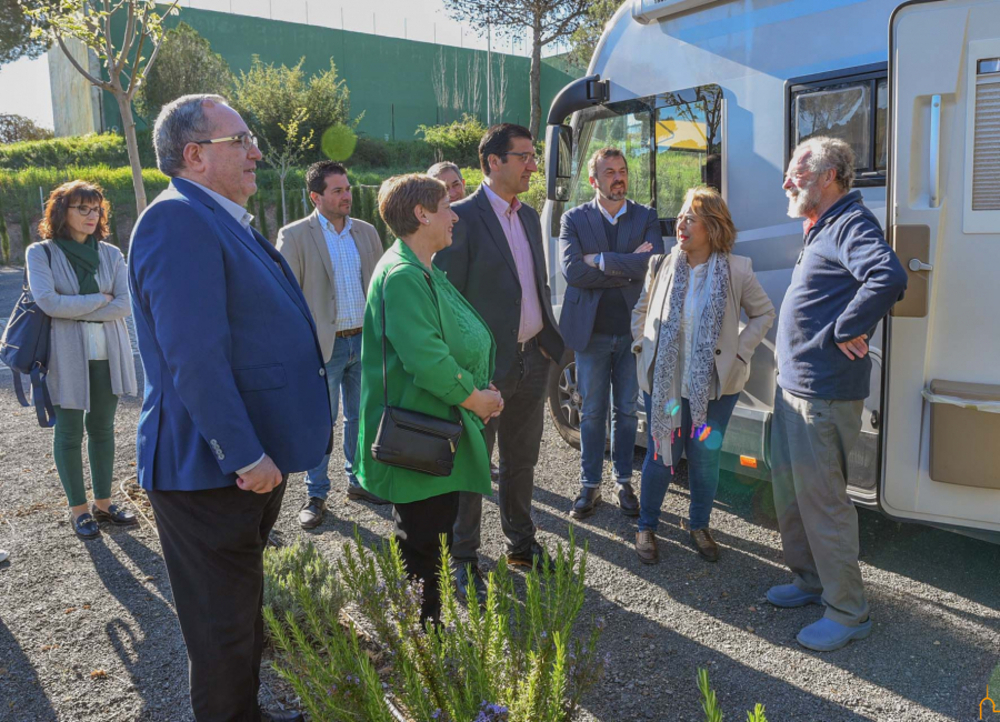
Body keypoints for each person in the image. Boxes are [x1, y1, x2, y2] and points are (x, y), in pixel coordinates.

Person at [129, 94, 331, 722]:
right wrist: (243, 453)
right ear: (194, 155)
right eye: (239, 139)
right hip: (211, 470)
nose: (256, 151)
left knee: (240, 614)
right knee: (221, 635)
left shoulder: (212, 215)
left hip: (242, 470)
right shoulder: (177, 221)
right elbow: (194, 358)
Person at [768, 136, 906, 652]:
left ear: (828, 177)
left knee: (824, 503)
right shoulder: (823, 225)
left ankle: (849, 612)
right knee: (793, 495)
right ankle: (810, 580)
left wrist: (848, 326)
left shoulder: (850, 222)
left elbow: (888, 276)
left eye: (796, 173)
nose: (787, 182)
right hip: (797, 387)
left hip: (822, 394)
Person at [355, 173, 502, 622]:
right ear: (422, 215)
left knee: (430, 540)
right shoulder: (403, 274)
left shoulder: (419, 266)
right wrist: (475, 398)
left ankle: (425, 633)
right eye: (445, 207)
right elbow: (427, 359)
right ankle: (424, 644)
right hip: (419, 435)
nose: (454, 215)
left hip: (431, 429)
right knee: (422, 547)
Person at [434, 124, 565, 605]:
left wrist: (548, 343)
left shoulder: (528, 216)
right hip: (485, 371)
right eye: (525, 157)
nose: (534, 165)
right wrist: (465, 375)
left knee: (522, 461)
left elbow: (534, 284)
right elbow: (447, 302)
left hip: (534, 358)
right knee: (472, 466)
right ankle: (463, 557)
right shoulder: (460, 218)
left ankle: (520, 546)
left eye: (534, 156)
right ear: (493, 161)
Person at [631, 187, 774, 564]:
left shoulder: (737, 270)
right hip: (665, 386)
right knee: (661, 455)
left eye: (690, 218)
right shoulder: (660, 265)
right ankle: (646, 526)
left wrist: (741, 353)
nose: (681, 223)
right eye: (680, 216)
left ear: (712, 227)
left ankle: (698, 524)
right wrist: (641, 346)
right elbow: (641, 311)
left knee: (704, 457)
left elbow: (764, 313)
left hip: (714, 390)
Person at [277, 161, 387, 530]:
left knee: (361, 418)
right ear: (315, 196)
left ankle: (359, 483)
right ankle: (316, 494)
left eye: (348, 188)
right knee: (321, 423)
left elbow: (381, 285)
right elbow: (284, 297)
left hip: (365, 341)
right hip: (323, 347)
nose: (347, 196)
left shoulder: (368, 232)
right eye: (337, 190)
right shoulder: (294, 236)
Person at [26, 180, 138, 540]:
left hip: (109, 353)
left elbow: (125, 303)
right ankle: (79, 510)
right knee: (70, 432)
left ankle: (103, 505)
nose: (92, 216)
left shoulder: (111, 254)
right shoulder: (40, 253)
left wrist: (82, 306)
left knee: (103, 429)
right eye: (82, 209)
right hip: (65, 354)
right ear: (62, 212)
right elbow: (48, 303)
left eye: (96, 209)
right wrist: (100, 300)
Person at [559, 147, 663, 520]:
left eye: (622, 171)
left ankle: (622, 481)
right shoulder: (573, 219)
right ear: (593, 180)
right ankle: (590, 485)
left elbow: (653, 264)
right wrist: (627, 263)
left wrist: (600, 260)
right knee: (591, 413)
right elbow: (573, 272)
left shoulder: (645, 216)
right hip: (592, 334)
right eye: (609, 172)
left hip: (632, 335)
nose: (618, 177)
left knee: (626, 413)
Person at [429, 159, 501, 484]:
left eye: (456, 183)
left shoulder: (482, 224)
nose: (454, 191)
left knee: (487, 412)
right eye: (445, 188)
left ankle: (482, 460)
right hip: (453, 345)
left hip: (484, 341)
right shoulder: (432, 243)